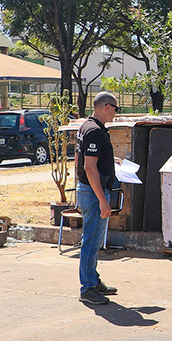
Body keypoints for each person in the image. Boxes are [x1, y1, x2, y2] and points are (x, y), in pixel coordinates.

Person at [76, 91, 121, 306]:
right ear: (107, 107)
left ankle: (92, 280)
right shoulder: (94, 131)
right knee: (91, 241)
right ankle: (87, 288)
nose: (115, 113)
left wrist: (111, 160)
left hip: (89, 189)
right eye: (115, 109)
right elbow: (89, 167)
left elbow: (83, 158)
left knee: (94, 240)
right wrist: (103, 200)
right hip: (94, 192)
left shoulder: (87, 126)